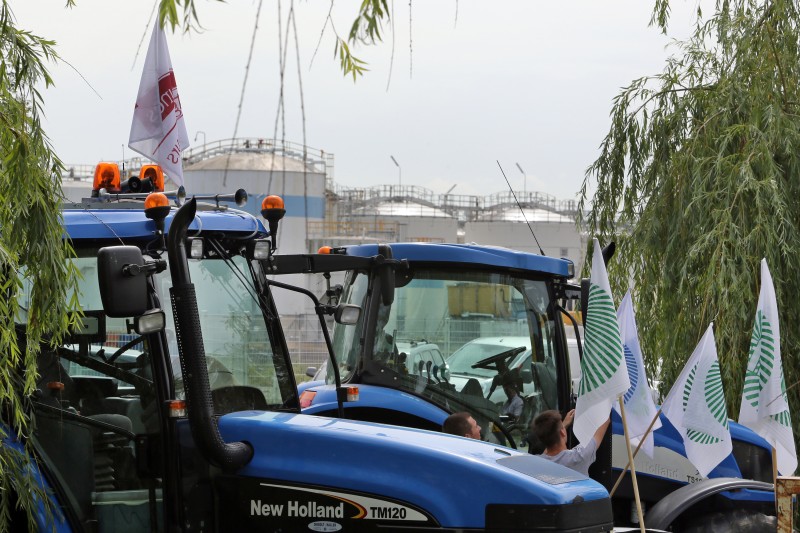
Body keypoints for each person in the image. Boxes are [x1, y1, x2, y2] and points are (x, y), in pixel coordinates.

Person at [532, 408, 610, 476]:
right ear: (562, 432)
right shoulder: (578, 457)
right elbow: (605, 420)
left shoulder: (537, 463)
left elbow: (547, 444)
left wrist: (562, 426)